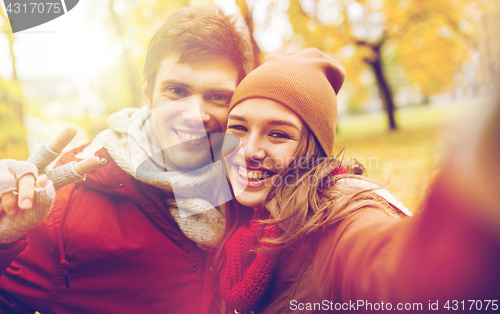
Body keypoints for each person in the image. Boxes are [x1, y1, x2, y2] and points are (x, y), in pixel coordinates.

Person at [0, 6, 253, 313]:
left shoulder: (250, 189)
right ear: (147, 92)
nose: (195, 115)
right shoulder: (61, 198)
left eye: (218, 97)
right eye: (177, 90)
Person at [215, 48, 500, 313]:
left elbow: (396, 270)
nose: (250, 150)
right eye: (238, 127)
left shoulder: (330, 219)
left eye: (278, 134)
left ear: (313, 150)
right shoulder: (252, 217)